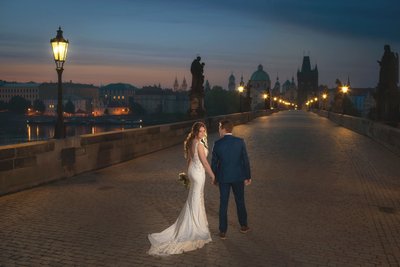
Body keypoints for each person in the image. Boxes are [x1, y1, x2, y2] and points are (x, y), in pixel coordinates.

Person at [148, 121, 215, 256]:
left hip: (192, 171)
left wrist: (189, 173)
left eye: (204, 131)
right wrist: (213, 176)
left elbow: (189, 159)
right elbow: (205, 162)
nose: (202, 133)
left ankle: (196, 221)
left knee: (194, 198)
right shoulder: (200, 145)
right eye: (200, 131)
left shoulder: (191, 142)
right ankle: (195, 227)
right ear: (196, 132)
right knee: (196, 198)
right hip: (198, 173)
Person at [211, 120, 251, 239]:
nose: (219, 130)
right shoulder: (240, 142)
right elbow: (245, 161)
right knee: (240, 201)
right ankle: (243, 226)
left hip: (223, 177)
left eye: (219, 128)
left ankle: (223, 231)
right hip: (238, 177)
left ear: (223, 129)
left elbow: (214, 164)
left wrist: (214, 177)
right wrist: (248, 176)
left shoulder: (217, 144)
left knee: (223, 203)